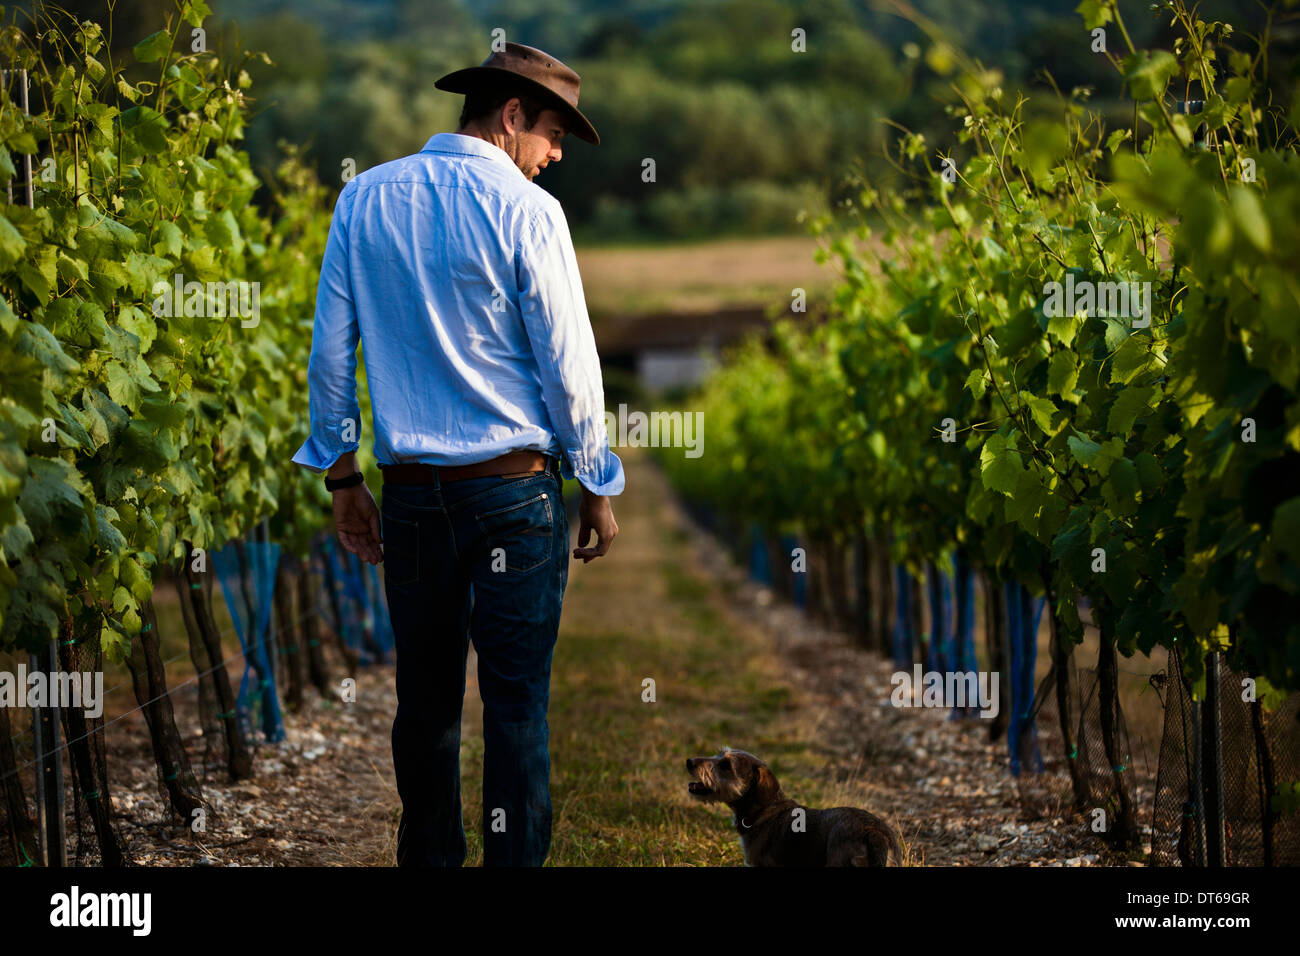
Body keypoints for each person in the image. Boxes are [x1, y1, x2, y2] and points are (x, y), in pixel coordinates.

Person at [291, 41, 623, 867]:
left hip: (408, 499)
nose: (552, 160)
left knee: (426, 702)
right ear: (511, 118)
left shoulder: (362, 200)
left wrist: (342, 478)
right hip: (514, 494)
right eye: (552, 137)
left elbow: (332, 355)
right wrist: (597, 479)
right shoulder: (528, 212)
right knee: (515, 706)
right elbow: (568, 363)